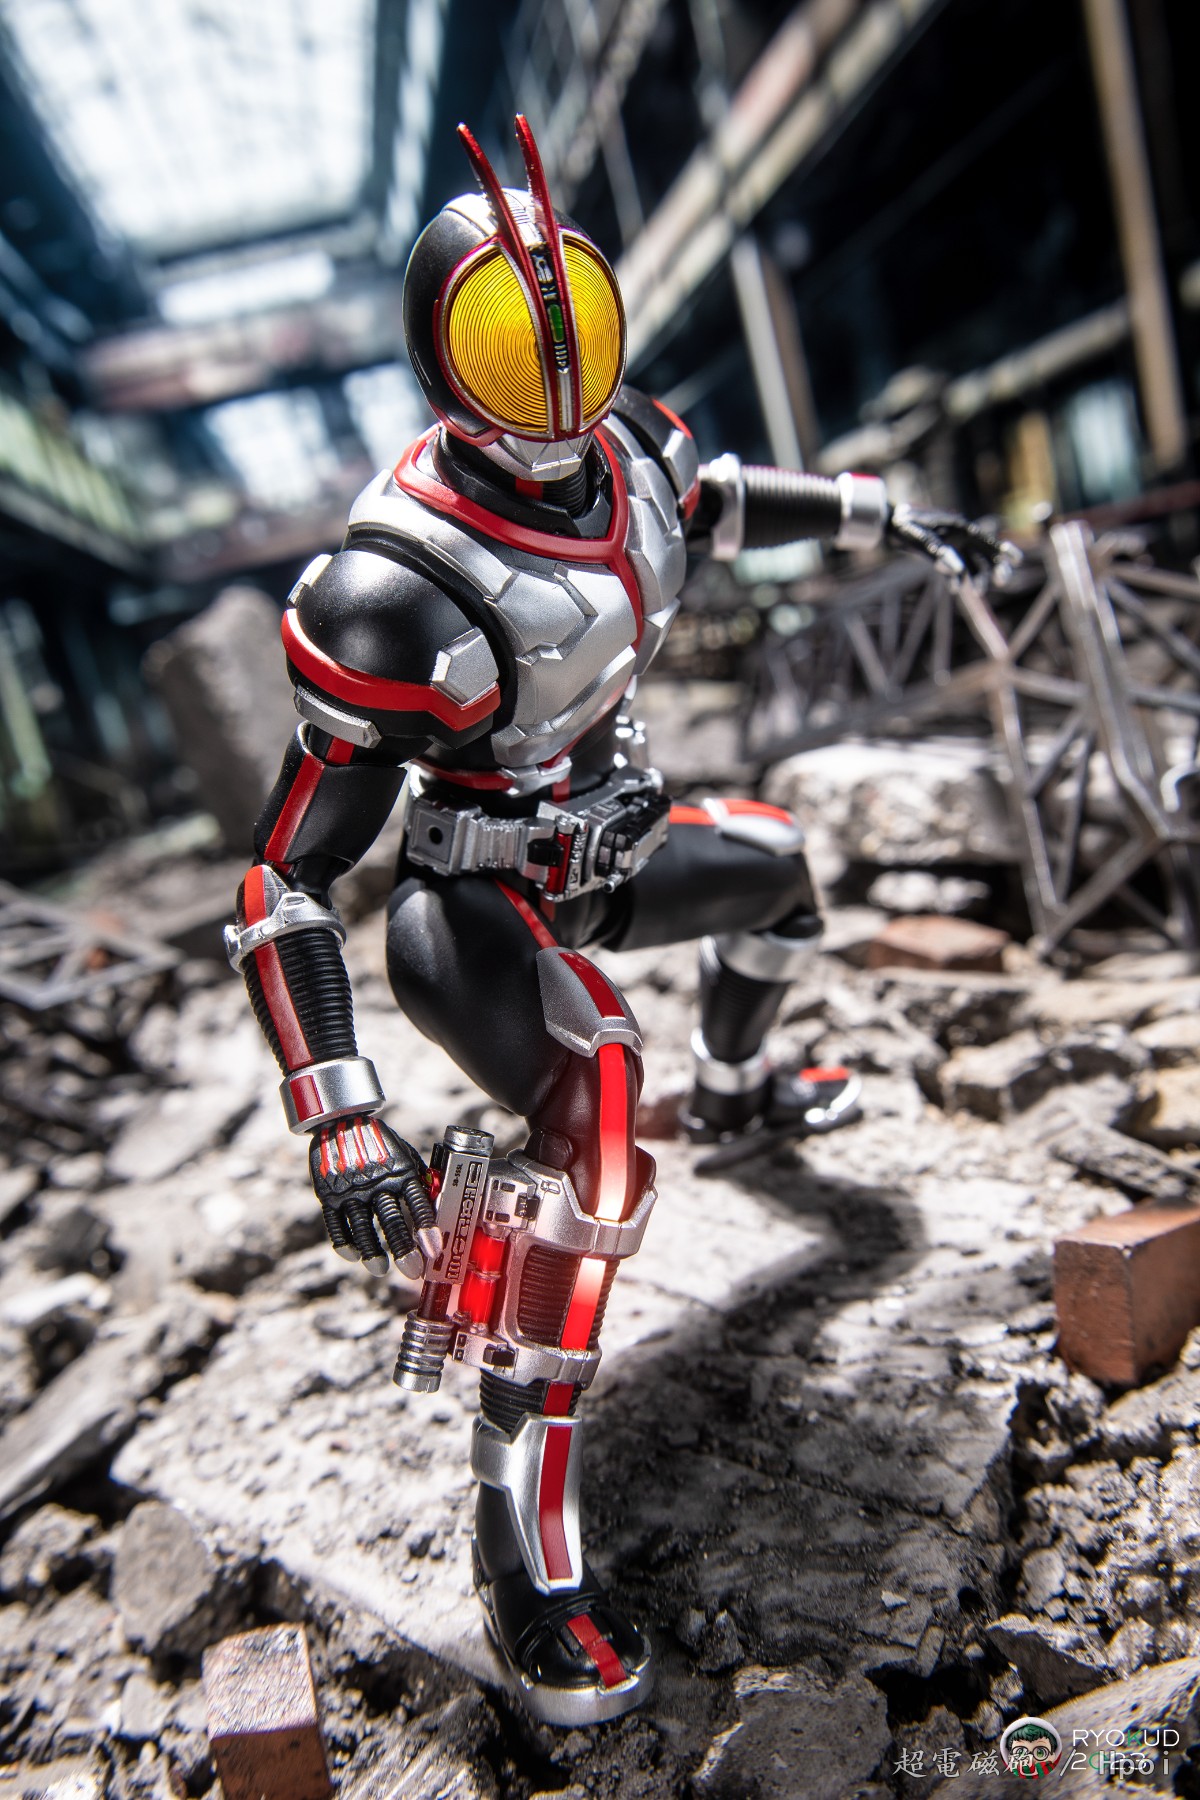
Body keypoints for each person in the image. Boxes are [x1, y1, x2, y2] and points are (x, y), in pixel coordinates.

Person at [226, 116, 1010, 1725]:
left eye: (573, 323)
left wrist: (888, 514)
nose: (558, 375)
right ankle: (522, 1540)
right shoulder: (392, 592)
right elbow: (287, 873)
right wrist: (339, 1113)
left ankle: (744, 1087)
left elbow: (717, 495)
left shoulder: (631, 449)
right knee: (591, 1124)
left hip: (613, 845)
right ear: (448, 365)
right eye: (516, 344)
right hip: (472, 902)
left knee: (779, 864)